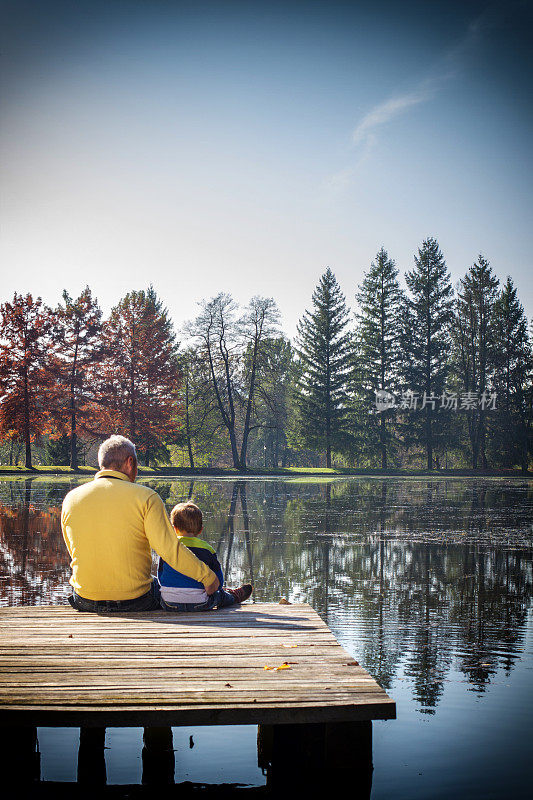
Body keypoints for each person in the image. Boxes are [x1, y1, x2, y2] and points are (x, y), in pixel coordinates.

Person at [61, 435, 219, 612]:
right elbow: (169, 551)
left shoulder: (71, 499)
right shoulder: (146, 497)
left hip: (85, 599)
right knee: (171, 590)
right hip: (135, 601)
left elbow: (74, 550)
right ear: (130, 462)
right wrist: (208, 577)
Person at [158, 501, 252, 611]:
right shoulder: (207, 549)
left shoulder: (168, 547)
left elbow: (161, 577)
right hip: (201, 603)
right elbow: (218, 581)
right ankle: (233, 596)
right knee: (219, 595)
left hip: (169, 603)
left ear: (174, 528)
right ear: (201, 530)